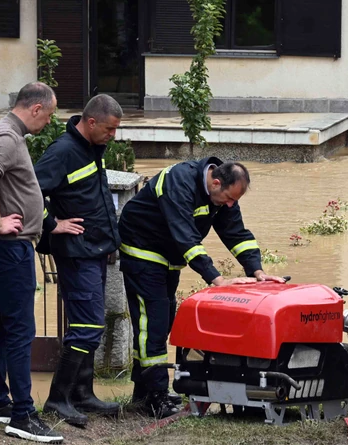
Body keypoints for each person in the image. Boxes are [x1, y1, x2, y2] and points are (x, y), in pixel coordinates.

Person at [116, 159, 286, 418]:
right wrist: (217, 279)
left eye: (233, 201)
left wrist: (258, 272)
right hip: (143, 251)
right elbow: (185, 236)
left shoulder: (221, 194)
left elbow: (236, 232)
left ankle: (144, 393)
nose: (230, 205)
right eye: (228, 198)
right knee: (153, 323)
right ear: (215, 182)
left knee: (163, 321)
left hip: (168, 256)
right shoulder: (179, 182)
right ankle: (156, 397)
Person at [0, 82, 66, 444]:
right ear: (36, 108)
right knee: (19, 329)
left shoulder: (5, 132)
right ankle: (23, 415)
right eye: (50, 114)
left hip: (2, 246)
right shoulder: (8, 137)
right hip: (7, 246)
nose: (49, 122)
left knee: (0, 323)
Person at [34, 95, 124, 427]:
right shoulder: (62, 152)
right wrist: (51, 224)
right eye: (110, 129)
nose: (113, 136)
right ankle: (58, 400)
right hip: (76, 254)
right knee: (87, 328)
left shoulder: (90, 148)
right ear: (90, 123)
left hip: (94, 251)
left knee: (87, 326)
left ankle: (82, 395)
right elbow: (28, 188)